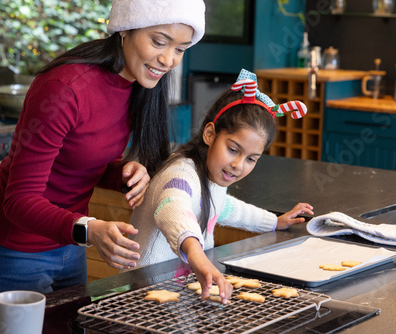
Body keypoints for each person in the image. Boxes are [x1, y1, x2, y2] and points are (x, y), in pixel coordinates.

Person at [0, 0, 206, 308]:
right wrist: (89, 229)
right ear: (125, 30)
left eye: (181, 49)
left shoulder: (138, 85)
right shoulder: (64, 89)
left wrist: (123, 173)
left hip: (69, 243)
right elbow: (18, 201)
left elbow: (80, 161)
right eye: (159, 42)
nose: (168, 59)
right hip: (16, 248)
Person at [128, 69, 314, 304]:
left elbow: (225, 208)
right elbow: (172, 208)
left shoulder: (212, 179)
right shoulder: (181, 173)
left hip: (179, 289)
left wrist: (274, 222)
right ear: (209, 134)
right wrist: (197, 256)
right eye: (233, 150)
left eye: (251, 159)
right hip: (144, 292)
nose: (238, 165)